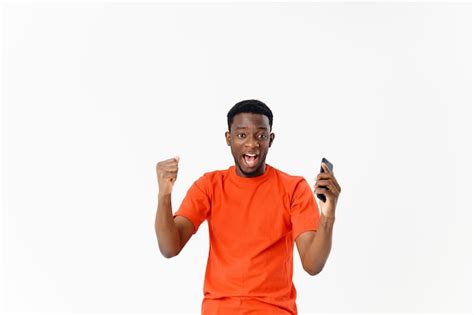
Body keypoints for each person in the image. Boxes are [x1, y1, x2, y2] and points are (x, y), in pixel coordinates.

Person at [155, 99, 341, 314]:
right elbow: (169, 247)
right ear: (228, 138)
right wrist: (164, 194)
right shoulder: (209, 186)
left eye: (261, 136)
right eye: (242, 135)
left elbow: (312, 265)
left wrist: (328, 215)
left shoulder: (293, 188)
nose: (252, 144)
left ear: (270, 139)